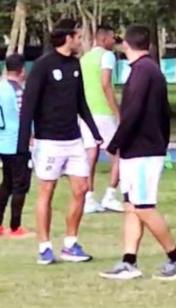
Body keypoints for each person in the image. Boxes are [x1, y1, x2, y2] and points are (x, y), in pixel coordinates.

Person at [99, 25, 176, 281]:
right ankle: (128, 261)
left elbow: (133, 114)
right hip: (137, 150)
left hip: (143, 151)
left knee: (144, 207)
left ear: (126, 45)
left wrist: (114, 143)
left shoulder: (144, 72)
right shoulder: (144, 70)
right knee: (131, 207)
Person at [19, 19, 103, 264]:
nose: (80, 40)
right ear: (68, 38)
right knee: (47, 191)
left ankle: (70, 244)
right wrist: (23, 146)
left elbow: (81, 102)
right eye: (78, 36)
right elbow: (28, 106)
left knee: (81, 189)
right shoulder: (43, 66)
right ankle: (44, 247)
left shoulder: (75, 64)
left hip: (73, 140)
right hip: (49, 142)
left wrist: (95, 132)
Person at [80, 25, 123, 214]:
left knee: (91, 154)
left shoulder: (85, 58)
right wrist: (117, 111)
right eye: (113, 38)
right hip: (103, 111)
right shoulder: (107, 56)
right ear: (104, 39)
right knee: (119, 154)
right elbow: (105, 83)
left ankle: (88, 197)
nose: (115, 41)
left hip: (87, 113)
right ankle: (110, 195)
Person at [0, 53, 34, 239]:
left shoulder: (1, 87)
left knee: (6, 183)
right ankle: (15, 226)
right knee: (20, 185)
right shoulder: (18, 91)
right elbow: (24, 116)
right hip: (18, 143)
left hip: (3, 142)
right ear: (22, 70)